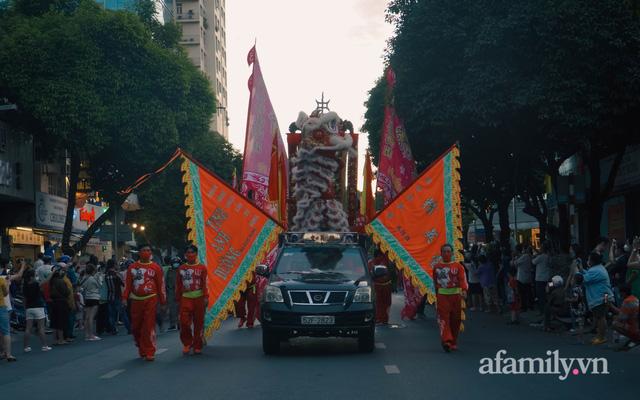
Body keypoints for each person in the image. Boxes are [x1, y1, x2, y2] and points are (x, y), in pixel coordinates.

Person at [122, 244, 166, 361]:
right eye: (144, 250)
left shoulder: (156, 267)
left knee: (148, 325)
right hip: (136, 300)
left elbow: (161, 285)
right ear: (139, 253)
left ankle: (150, 351)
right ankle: (140, 345)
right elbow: (128, 285)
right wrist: (124, 298)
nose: (147, 252)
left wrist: (163, 302)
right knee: (136, 327)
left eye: (148, 250)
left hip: (151, 298)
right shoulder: (132, 268)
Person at [433, 243, 468, 353]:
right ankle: (446, 341)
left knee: (456, 320)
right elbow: (435, 282)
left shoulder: (458, 266)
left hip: (456, 297)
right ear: (441, 253)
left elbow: (462, 279)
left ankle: (453, 342)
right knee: (444, 319)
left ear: (452, 253)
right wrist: (436, 295)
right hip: (442, 296)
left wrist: (464, 290)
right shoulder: (436, 267)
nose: (446, 253)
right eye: (444, 251)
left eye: (449, 251)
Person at [176, 245, 208, 355]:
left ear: (196, 254)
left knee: (198, 323)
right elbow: (178, 285)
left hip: (199, 298)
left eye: (192, 252)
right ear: (185, 255)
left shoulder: (202, 268)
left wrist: (205, 297)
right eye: (188, 253)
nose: (190, 255)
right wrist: (177, 298)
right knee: (184, 323)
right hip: (185, 298)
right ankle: (187, 343)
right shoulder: (181, 269)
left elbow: (205, 283)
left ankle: (197, 345)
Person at [577, 252, 614, 345]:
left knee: (601, 317)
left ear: (593, 261)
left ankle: (601, 337)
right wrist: (581, 269)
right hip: (604, 296)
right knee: (599, 316)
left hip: (601, 297)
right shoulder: (598, 268)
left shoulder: (596, 270)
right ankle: (600, 335)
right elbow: (588, 275)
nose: (588, 261)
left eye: (589, 259)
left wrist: (576, 272)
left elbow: (583, 279)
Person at [0, 259, 26, 361]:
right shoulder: (4, 278)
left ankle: (2, 351)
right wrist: (23, 266)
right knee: (6, 331)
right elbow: (19, 276)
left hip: (4, 307)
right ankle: (8, 354)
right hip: (4, 307)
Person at [22, 268, 52, 352]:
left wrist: (25, 308)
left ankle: (26, 347)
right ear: (32, 277)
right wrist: (52, 273)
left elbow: (24, 299)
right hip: (38, 307)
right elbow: (46, 281)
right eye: (35, 275)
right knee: (41, 328)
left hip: (29, 308)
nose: (36, 277)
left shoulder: (25, 285)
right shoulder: (36, 284)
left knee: (28, 328)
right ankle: (44, 346)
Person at [607, 283, 639, 350]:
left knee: (614, 324)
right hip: (636, 324)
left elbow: (621, 318)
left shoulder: (627, 301)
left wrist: (611, 306)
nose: (619, 294)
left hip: (635, 328)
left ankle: (634, 338)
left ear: (623, 293)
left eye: (620, 292)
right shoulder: (634, 298)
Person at [49, 264, 72, 346]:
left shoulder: (51, 281)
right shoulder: (60, 281)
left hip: (54, 302)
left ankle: (55, 339)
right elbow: (67, 292)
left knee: (55, 321)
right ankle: (61, 339)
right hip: (61, 302)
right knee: (61, 321)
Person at [368, 249, 392, 324]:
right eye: (380, 256)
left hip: (385, 286)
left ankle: (382, 318)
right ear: (378, 255)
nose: (381, 257)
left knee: (385, 303)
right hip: (378, 286)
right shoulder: (371, 263)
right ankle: (380, 318)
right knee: (380, 303)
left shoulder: (384, 261)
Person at [80, 263, 101, 341]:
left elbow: (82, 287)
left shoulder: (84, 278)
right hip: (94, 297)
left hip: (87, 297)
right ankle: (91, 335)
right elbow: (99, 286)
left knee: (87, 317)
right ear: (93, 271)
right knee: (91, 317)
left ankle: (86, 334)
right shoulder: (93, 278)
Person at [512, 244, 533, 312]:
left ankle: (524, 307)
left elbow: (514, 263)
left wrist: (513, 257)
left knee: (522, 293)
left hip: (521, 277)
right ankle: (530, 306)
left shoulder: (524, 256)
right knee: (529, 292)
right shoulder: (529, 256)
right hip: (528, 276)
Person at [104, 260, 123, 335]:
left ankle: (113, 328)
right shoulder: (116, 274)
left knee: (111, 314)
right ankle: (128, 327)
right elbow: (122, 284)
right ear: (114, 265)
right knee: (121, 312)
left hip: (109, 296)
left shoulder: (106, 275)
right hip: (117, 295)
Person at [533, 243, 553, 314]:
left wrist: (536, 255)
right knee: (548, 294)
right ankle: (548, 310)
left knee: (540, 295)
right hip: (548, 278)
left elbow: (533, 262)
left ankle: (542, 311)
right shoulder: (549, 256)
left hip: (539, 279)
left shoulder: (541, 256)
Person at [164, 256, 180, 331]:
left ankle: (180, 323)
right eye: (174, 263)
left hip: (180, 292)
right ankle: (173, 324)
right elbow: (166, 282)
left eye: (177, 263)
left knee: (180, 309)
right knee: (172, 309)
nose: (176, 264)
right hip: (171, 292)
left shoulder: (182, 270)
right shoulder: (169, 271)